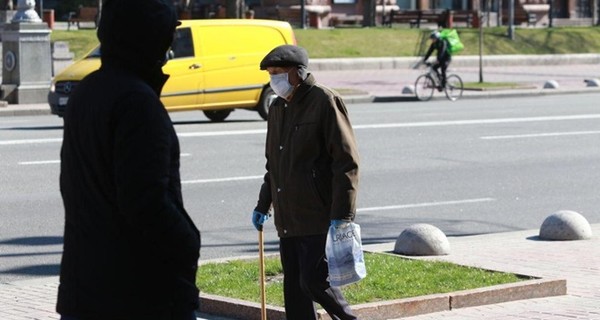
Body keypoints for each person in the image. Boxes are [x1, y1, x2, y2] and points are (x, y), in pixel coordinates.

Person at [57, 0, 201, 319]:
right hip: (137, 294)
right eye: (166, 35)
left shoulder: (88, 91)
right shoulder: (136, 102)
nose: (169, 47)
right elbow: (146, 203)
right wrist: (189, 243)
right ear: (148, 37)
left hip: (86, 288)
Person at [251, 44, 360, 320]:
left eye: (278, 73)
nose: (273, 80)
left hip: (317, 213)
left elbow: (346, 161)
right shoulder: (276, 108)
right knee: (295, 290)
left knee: (314, 281)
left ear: (297, 73)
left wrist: (342, 214)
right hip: (288, 215)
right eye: (270, 74)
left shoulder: (324, 101)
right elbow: (273, 164)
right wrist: (264, 204)